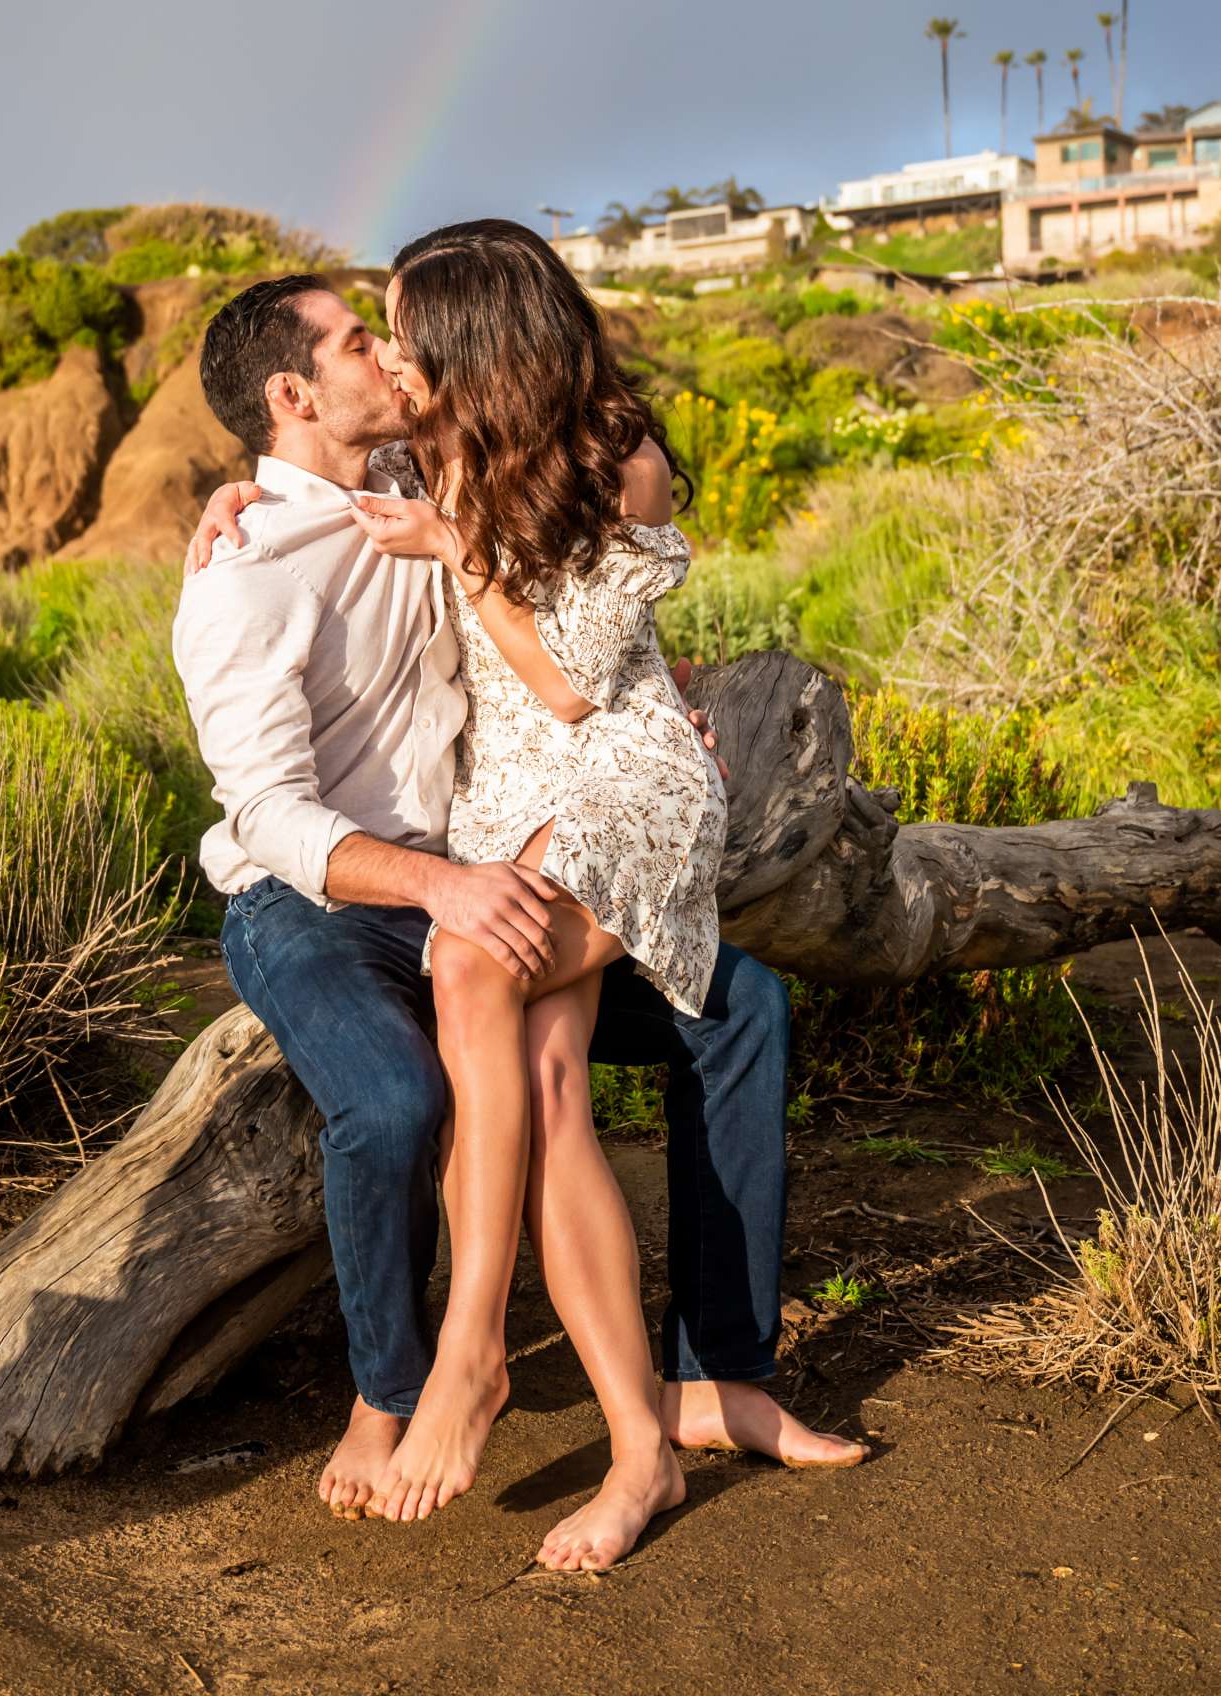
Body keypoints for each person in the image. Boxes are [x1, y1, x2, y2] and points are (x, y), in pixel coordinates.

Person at [171, 239, 863, 1558]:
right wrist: (231, 497)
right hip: (330, 890)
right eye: (359, 342)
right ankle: (403, 1388)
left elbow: (570, 652)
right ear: (291, 401)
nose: (388, 357)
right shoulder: (251, 563)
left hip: (523, 838)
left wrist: (629, 689)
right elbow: (266, 812)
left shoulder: (438, 462)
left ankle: (686, 1372)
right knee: (410, 1099)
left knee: (740, 1012)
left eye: (396, 333)